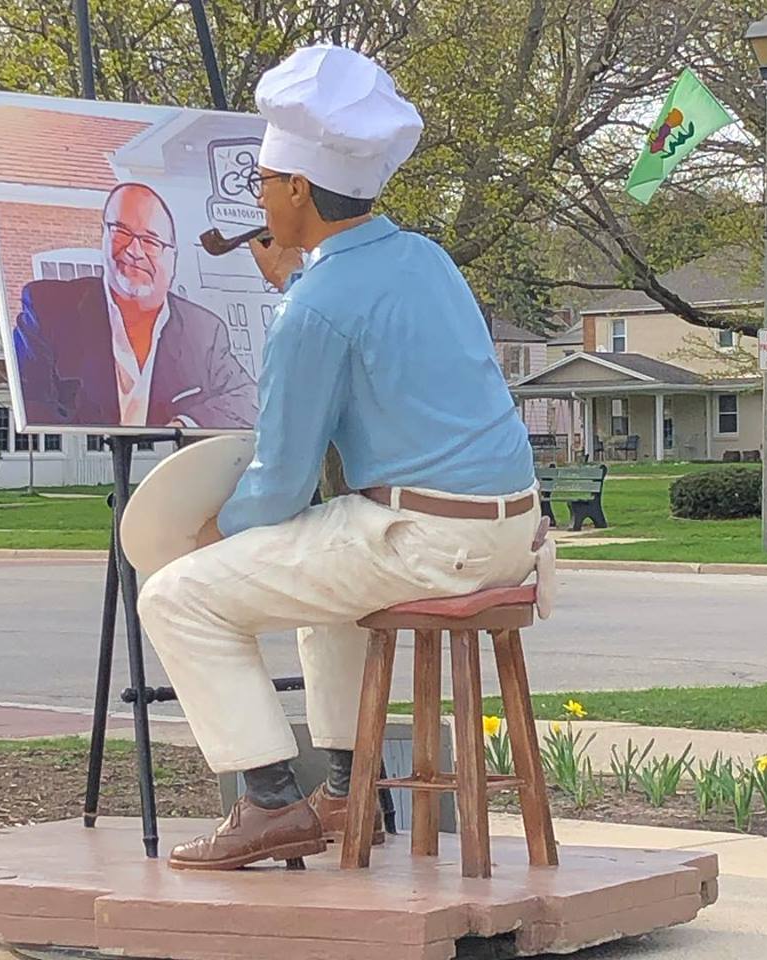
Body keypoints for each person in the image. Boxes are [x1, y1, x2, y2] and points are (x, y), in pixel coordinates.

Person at [137, 44, 542, 871]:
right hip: (512, 527)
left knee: (176, 595)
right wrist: (297, 280)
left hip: (428, 540)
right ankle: (350, 787)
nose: (255, 196)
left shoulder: (315, 306)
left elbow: (280, 482)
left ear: (294, 189)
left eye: (260, 180)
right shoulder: (425, 257)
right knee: (322, 567)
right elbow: (366, 337)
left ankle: (268, 803)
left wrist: (217, 530)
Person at [13, 182, 257, 430]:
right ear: (103, 236)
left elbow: (249, 397)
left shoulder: (204, 330)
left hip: (173, 466)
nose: (133, 250)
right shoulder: (48, 310)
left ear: (173, 258)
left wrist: (187, 425)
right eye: (121, 232)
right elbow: (33, 405)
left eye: (150, 241)